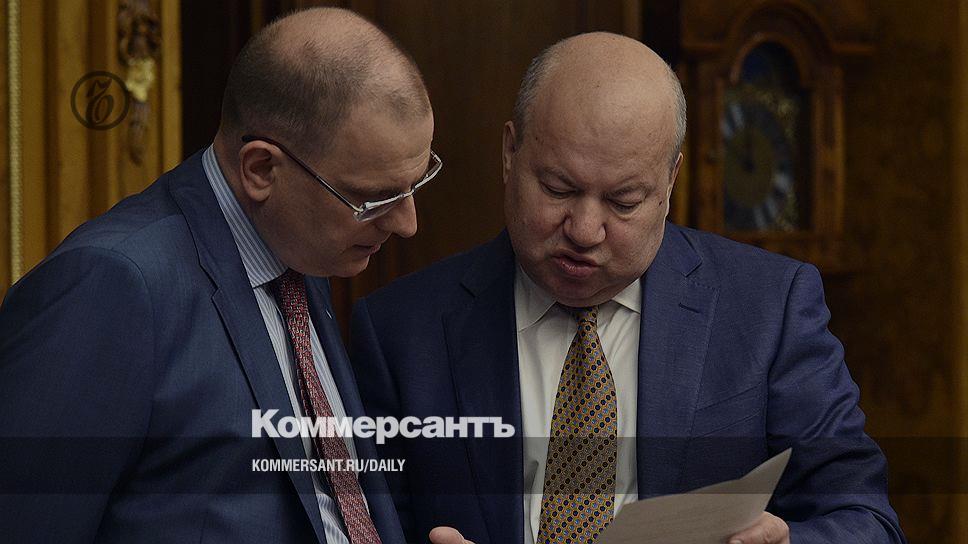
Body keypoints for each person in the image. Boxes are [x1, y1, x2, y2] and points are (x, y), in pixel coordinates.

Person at [351, 32, 906, 544]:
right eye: (558, 188)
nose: (584, 231)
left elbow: (866, 518)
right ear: (509, 154)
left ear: (670, 181)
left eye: (623, 202)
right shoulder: (399, 331)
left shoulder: (769, 308)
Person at [0, 7, 454, 544]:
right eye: (374, 198)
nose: (407, 223)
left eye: (415, 183)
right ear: (261, 169)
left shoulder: (300, 248)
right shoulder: (112, 285)